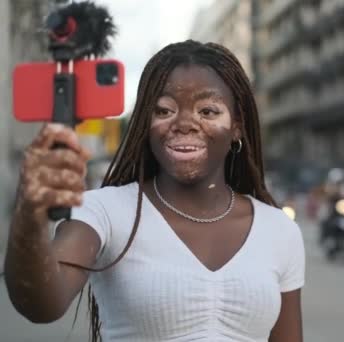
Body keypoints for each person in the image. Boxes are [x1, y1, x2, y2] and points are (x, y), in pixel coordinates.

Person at [4, 40, 305, 342]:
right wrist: (29, 215)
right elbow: (41, 305)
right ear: (145, 124)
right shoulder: (104, 212)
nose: (185, 123)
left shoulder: (279, 229)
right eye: (164, 110)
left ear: (237, 126)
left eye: (208, 111)